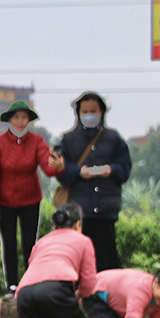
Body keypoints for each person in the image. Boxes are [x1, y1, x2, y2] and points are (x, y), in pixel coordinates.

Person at [15, 203, 97, 318]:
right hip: (56, 286)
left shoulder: (41, 243)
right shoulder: (83, 241)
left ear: (54, 227)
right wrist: (78, 296)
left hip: (25, 293)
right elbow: (90, 282)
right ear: (78, 225)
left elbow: (34, 270)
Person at [0, 100, 60, 298]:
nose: (20, 121)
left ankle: (30, 282)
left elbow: (48, 167)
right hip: (4, 202)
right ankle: (12, 286)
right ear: (9, 119)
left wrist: (58, 166)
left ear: (29, 120)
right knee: (8, 243)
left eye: (24, 117)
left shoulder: (37, 141)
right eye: (16, 117)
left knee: (30, 243)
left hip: (30, 200)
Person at [51, 91, 132, 271]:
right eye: (85, 112)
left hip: (106, 210)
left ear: (101, 112)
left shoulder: (114, 139)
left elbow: (125, 170)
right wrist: (79, 171)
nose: (89, 115)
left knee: (106, 260)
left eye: (93, 111)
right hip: (79, 211)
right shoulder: (68, 139)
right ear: (78, 114)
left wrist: (111, 170)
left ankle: (104, 296)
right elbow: (62, 174)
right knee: (79, 260)